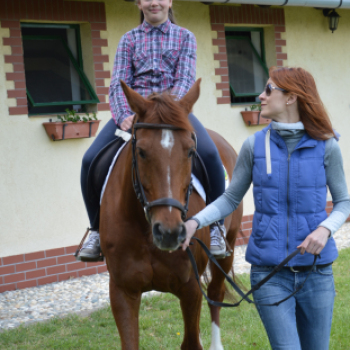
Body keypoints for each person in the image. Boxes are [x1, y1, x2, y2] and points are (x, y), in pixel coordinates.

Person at [182, 67, 350, 350]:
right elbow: (230, 198)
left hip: (316, 273)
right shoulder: (253, 145)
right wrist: (195, 222)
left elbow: (343, 202)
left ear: (290, 98)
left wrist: (325, 229)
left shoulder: (327, 146)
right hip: (270, 273)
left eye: (269, 89)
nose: (261, 96)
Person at [79, 0, 227, 261]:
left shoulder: (185, 37)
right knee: (90, 160)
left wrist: (170, 112)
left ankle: (215, 227)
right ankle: (95, 230)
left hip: (174, 114)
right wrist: (124, 115)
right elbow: (118, 83)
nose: (154, 2)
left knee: (212, 156)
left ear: (170, 2)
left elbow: (184, 79)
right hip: (137, 114)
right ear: (139, 3)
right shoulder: (128, 39)